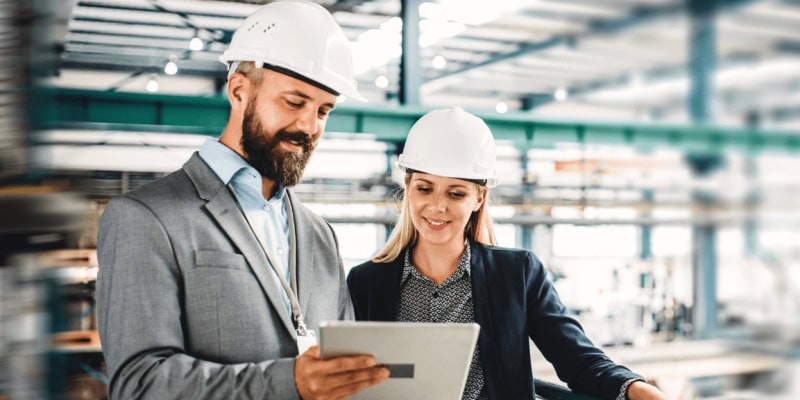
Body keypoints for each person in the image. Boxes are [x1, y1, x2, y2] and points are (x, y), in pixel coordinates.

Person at [96, 1, 389, 398]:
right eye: (294, 102)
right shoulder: (146, 218)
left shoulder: (321, 236)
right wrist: (290, 383)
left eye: (323, 110)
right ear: (239, 91)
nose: (309, 126)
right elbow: (140, 384)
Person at [347, 108, 668, 400]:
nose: (437, 207)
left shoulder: (517, 275)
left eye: (455, 193)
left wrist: (633, 388)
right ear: (408, 186)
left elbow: (577, 359)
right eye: (424, 188)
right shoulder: (367, 282)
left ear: (478, 197)